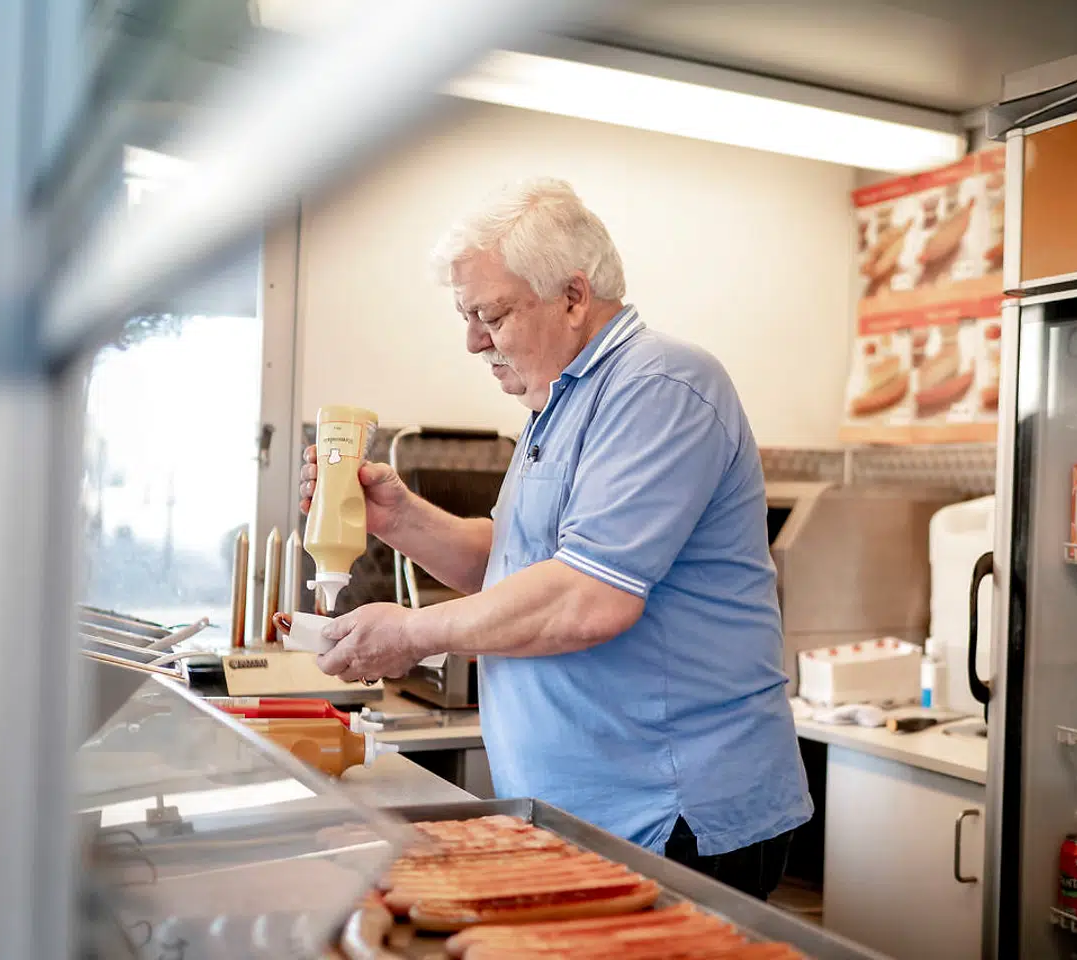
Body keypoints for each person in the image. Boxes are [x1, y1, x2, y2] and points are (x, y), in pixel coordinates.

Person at [294, 178, 812, 899]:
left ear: (572, 297)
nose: (473, 340)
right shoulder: (558, 400)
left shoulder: (660, 385)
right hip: (589, 811)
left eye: (490, 314)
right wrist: (398, 519)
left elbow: (588, 598)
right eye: (466, 316)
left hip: (674, 816)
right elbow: (513, 563)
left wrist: (413, 633)